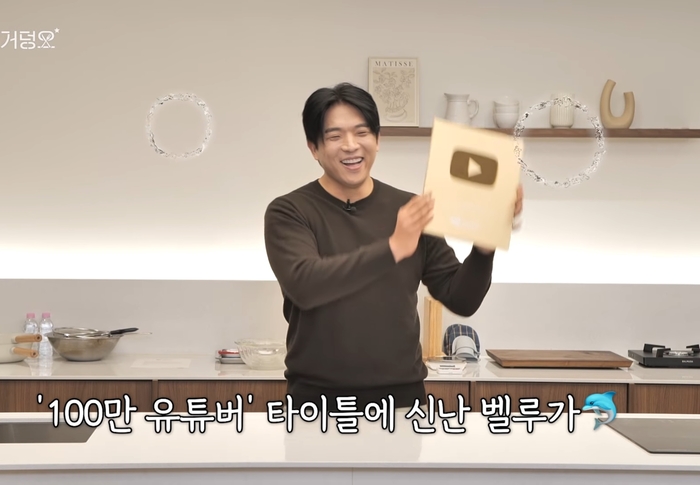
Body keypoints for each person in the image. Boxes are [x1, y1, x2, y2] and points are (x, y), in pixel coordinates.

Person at [264, 82, 523, 412]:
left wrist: (485, 245)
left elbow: (461, 298)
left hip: (402, 401)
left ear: (377, 139)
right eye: (334, 136)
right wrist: (393, 248)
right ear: (313, 147)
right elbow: (306, 284)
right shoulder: (289, 211)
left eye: (362, 132)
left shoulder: (410, 209)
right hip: (315, 403)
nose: (351, 145)